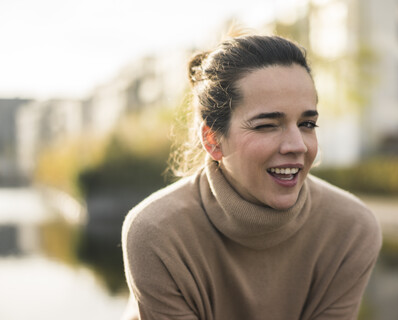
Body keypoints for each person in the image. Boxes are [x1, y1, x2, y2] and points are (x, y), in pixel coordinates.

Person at [122, 33, 382, 320]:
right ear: (212, 140)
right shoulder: (156, 233)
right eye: (267, 125)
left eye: (307, 123)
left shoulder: (352, 229)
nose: (297, 145)